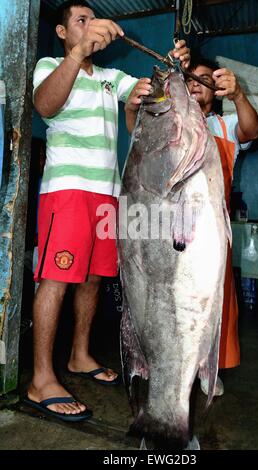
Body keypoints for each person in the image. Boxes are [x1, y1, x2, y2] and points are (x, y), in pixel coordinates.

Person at [24, 0, 190, 421]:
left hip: (106, 195)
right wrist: (77, 54)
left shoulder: (110, 78)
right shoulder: (49, 65)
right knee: (56, 277)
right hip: (68, 191)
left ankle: (80, 355)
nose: (91, 27)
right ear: (63, 33)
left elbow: (149, 92)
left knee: (94, 279)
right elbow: (44, 106)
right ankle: (40, 379)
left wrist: (170, 66)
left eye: (93, 20)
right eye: (81, 21)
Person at [186, 57, 258, 396]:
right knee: (179, 305)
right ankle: (177, 369)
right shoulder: (172, 120)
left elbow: (252, 130)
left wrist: (239, 95)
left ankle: (209, 368)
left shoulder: (224, 124)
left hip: (214, 234)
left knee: (217, 304)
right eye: (191, 78)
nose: (197, 83)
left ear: (216, 90)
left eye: (205, 79)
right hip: (176, 231)